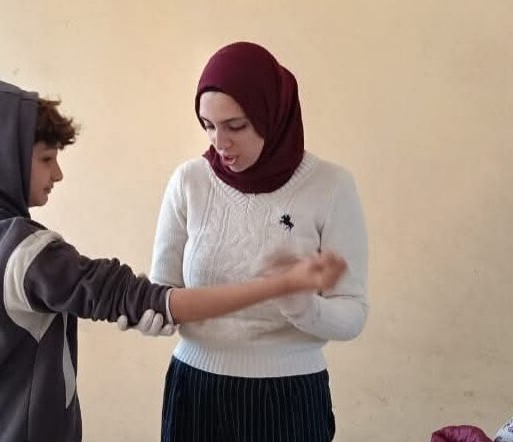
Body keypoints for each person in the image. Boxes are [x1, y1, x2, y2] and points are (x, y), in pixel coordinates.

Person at [0, 79, 347, 442]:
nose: (57, 174)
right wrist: (280, 284)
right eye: (46, 159)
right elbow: (155, 300)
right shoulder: (30, 255)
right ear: (0, 160)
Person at [138, 42, 369, 442]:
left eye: (236, 126)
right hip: (196, 390)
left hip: (289, 397)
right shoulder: (190, 181)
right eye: (208, 125)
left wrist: (303, 307)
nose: (219, 142)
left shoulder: (330, 186)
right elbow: (165, 290)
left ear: (271, 114)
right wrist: (152, 313)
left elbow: (353, 313)